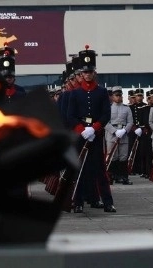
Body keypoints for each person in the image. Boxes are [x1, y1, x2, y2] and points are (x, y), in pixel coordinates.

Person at [63, 47, 115, 213]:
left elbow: (106, 114)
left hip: (96, 135)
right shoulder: (75, 94)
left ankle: (107, 202)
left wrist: (94, 129)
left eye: (90, 72)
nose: (87, 75)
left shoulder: (101, 92)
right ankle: (78, 202)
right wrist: (82, 130)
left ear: (94, 73)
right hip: (81, 135)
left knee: (100, 169)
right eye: (85, 73)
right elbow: (70, 116)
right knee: (79, 169)